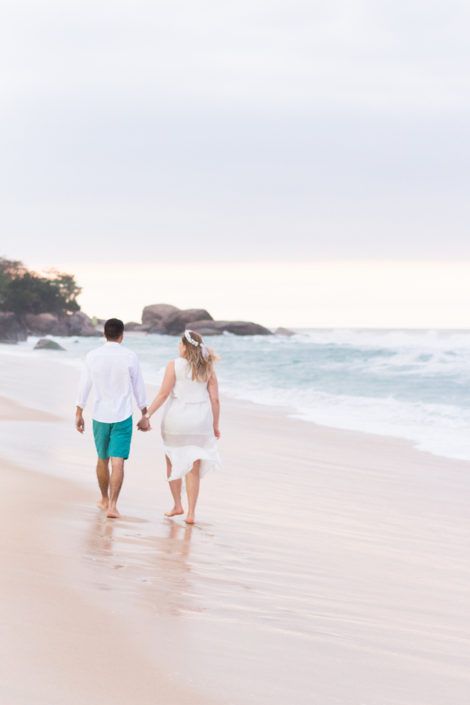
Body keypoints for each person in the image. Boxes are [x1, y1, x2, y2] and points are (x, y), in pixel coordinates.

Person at [138, 329, 220, 524]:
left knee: (172, 460)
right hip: (200, 422)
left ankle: (177, 505)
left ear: (186, 346)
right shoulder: (207, 367)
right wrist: (215, 425)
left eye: (180, 343)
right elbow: (215, 399)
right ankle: (191, 513)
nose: (178, 347)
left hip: (176, 420)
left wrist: (147, 415)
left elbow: (163, 394)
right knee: (194, 466)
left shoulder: (174, 365)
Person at [75, 318, 148, 518]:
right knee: (118, 462)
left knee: (102, 459)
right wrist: (145, 412)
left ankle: (104, 499)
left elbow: (84, 385)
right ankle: (113, 506)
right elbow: (138, 386)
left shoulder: (92, 356)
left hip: (100, 415)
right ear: (122, 335)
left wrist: (79, 412)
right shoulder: (130, 356)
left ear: (104, 334)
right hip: (122, 415)